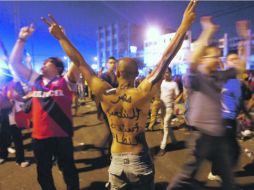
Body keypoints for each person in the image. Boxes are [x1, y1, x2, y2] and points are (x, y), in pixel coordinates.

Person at [41, 1, 196, 189]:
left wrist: (61, 38)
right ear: (137, 75)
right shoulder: (143, 92)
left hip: (116, 161)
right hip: (139, 160)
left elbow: (79, 62)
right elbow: (166, 58)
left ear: (117, 73)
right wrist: (183, 26)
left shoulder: (104, 92)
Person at [168, 17, 243, 190]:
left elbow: (240, 68)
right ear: (203, 59)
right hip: (201, 137)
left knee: (228, 178)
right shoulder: (197, 77)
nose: (217, 60)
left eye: (219, 56)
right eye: (213, 56)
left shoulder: (217, 76)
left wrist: (245, 39)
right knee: (185, 177)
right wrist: (207, 31)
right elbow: (192, 62)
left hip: (217, 135)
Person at [8, 24, 80, 190]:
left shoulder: (66, 81)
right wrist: (22, 38)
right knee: (43, 173)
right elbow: (14, 62)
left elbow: (76, 60)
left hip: (62, 136)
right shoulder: (36, 80)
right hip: (40, 137)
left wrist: (63, 38)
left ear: (58, 68)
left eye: (47, 63)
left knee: (68, 170)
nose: (43, 64)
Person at [157, 67, 179, 156]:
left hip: (169, 108)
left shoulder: (174, 84)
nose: (165, 74)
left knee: (166, 125)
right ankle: (174, 141)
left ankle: (162, 147)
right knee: (166, 126)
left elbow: (177, 95)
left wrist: (176, 104)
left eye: (167, 72)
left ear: (170, 73)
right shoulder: (161, 82)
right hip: (162, 108)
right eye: (164, 72)